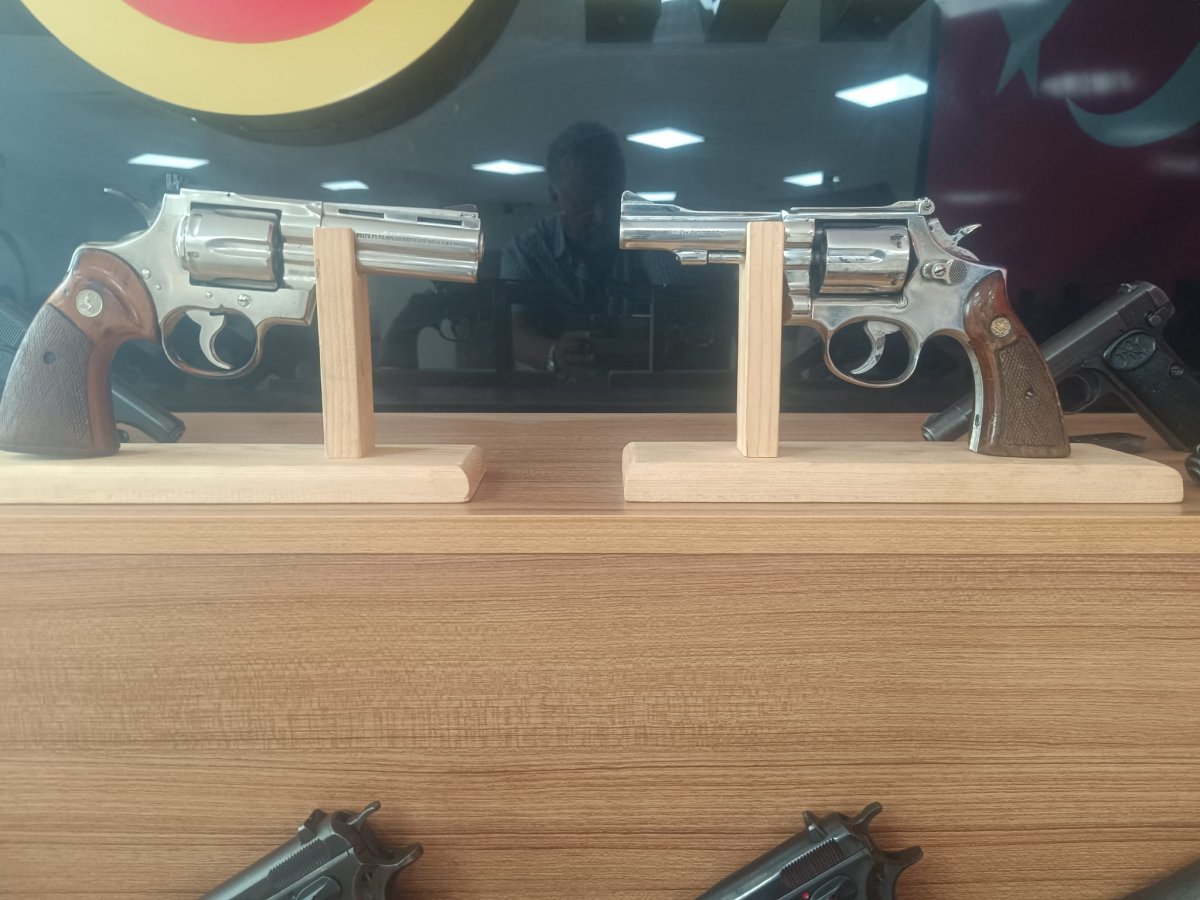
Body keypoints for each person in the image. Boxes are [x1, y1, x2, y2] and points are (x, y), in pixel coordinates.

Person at [500, 122, 680, 379]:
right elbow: (515, 332)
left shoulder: (650, 234)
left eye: (612, 200)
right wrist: (553, 354)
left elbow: (679, 305)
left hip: (641, 387)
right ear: (555, 197)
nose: (601, 217)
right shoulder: (526, 251)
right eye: (584, 204)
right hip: (557, 393)